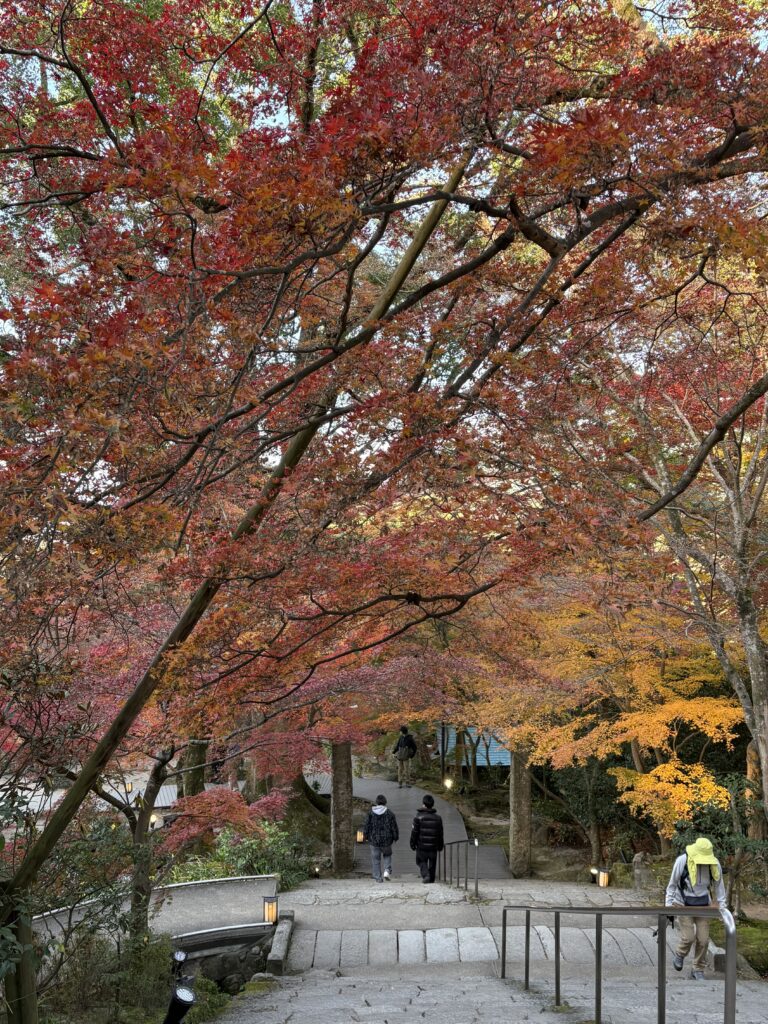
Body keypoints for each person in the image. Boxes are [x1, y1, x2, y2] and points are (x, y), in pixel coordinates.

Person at [664, 836, 728, 980]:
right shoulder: (682, 861)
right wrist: (668, 907)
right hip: (682, 903)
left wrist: (723, 908)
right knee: (688, 937)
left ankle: (697, 968)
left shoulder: (714, 864)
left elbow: (719, 887)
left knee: (703, 940)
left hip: (703, 904)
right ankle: (680, 954)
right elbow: (672, 885)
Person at [362, 794, 399, 882]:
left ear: (377, 802)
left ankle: (378, 877)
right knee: (387, 855)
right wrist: (395, 837)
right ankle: (387, 870)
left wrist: (365, 836)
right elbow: (394, 827)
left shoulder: (370, 812)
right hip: (387, 840)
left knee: (375, 859)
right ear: (385, 802)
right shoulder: (390, 813)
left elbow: (366, 825)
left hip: (374, 839)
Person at [410, 793, 444, 883]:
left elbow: (414, 832)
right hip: (433, 846)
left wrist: (412, 844)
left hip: (421, 846)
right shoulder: (438, 818)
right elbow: (440, 833)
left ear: (423, 804)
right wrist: (440, 845)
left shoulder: (418, 817)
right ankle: (431, 879)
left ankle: (426, 875)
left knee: (420, 861)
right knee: (432, 863)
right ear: (432, 805)